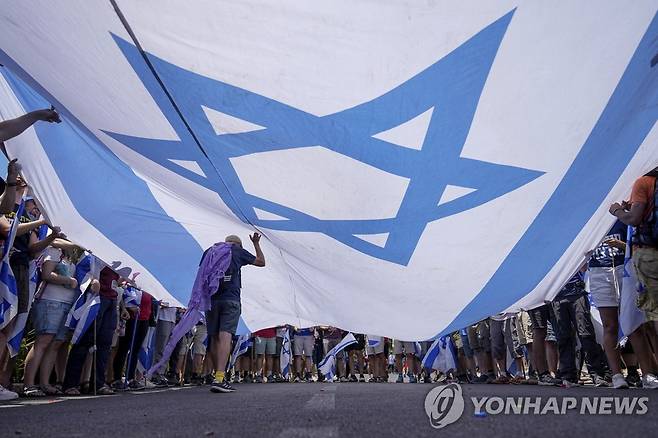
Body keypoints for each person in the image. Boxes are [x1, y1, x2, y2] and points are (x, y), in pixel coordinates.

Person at [609, 166, 658, 389]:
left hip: (647, 256)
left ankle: (651, 374)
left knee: (650, 319)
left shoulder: (643, 182)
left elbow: (635, 219)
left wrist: (618, 211)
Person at [207, 233, 265, 393]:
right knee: (225, 336)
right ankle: (219, 378)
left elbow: (201, 275)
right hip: (230, 299)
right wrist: (256, 243)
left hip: (211, 300)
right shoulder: (237, 251)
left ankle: (215, 376)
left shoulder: (210, 251)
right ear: (238, 245)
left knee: (213, 337)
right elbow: (261, 262)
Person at [22, 243, 82, 396]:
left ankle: (45, 383)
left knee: (55, 343)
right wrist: (68, 280)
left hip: (66, 303)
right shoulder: (53, 250)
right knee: (43, 341)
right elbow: (46, 274)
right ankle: (29, 384)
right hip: (50, 301)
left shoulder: (72, 257)